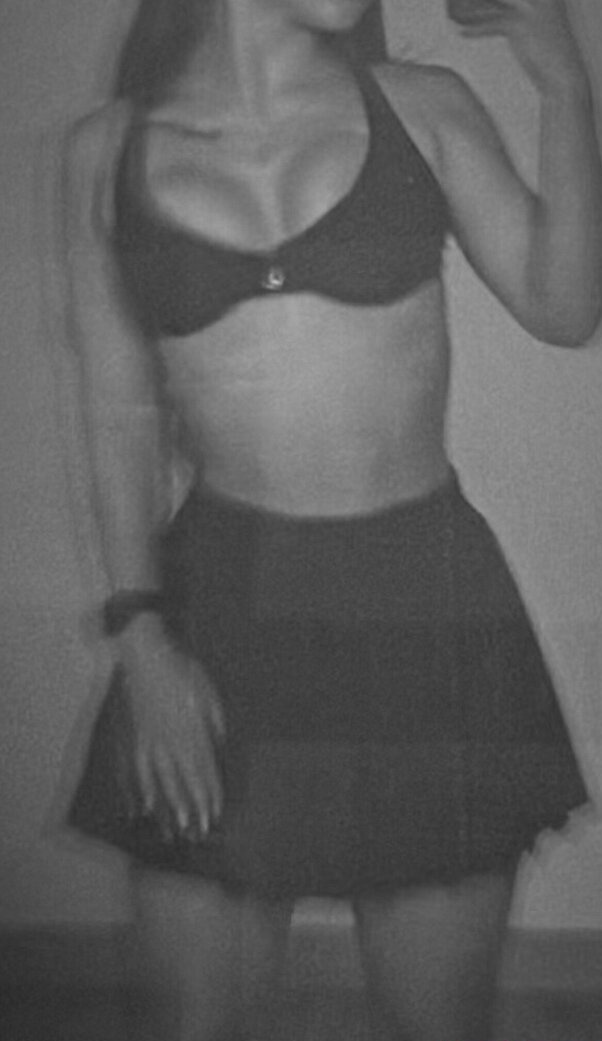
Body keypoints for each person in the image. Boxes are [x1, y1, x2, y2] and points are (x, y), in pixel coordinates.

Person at [64, 0, 601, 1038]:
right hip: (219, 610)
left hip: (422, 603)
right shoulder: (106, 152)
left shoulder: (423, 109)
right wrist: (142, 640)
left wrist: (563, 85)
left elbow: (564, 303)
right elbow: (120, 416)